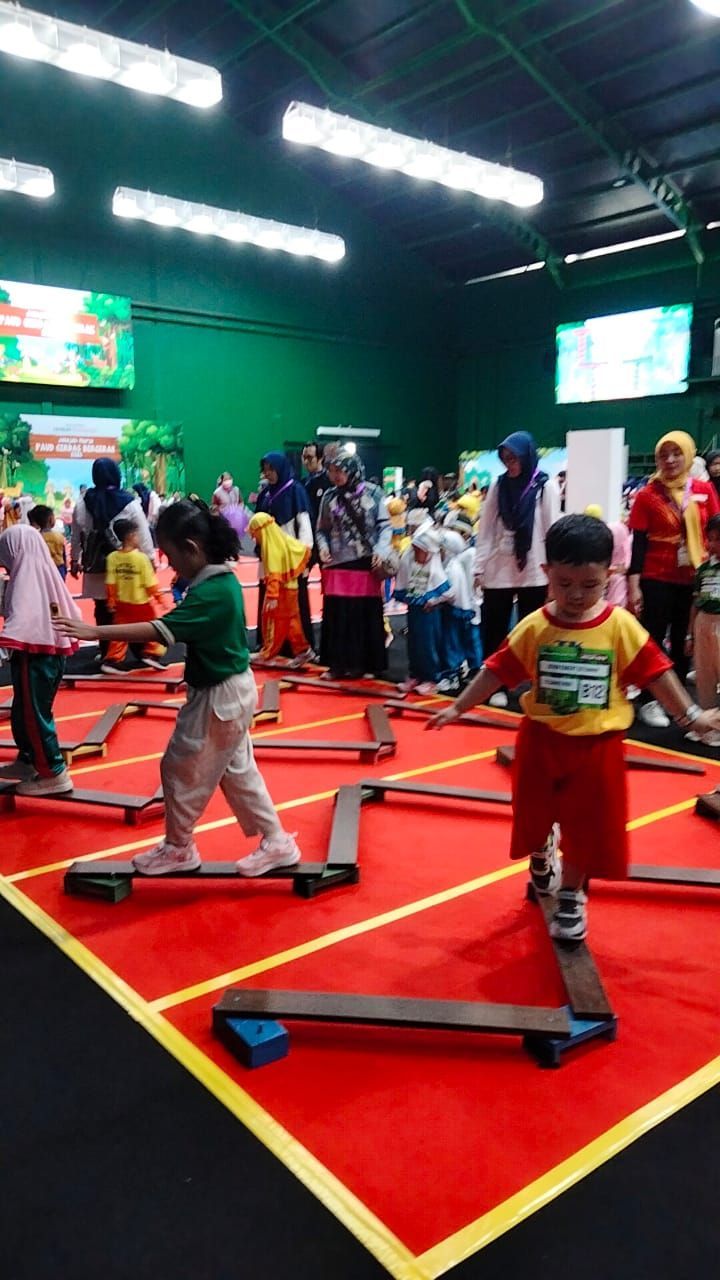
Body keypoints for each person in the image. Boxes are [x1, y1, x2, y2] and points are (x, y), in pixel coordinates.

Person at [428, 514, 720, 942]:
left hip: (596, 747)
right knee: (532, 817)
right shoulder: (535, 626)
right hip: (541, 741)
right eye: (564, 585)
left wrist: (692, 717)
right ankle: (541, 851)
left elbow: (657, 673)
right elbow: (496, 671)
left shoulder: (620, 627)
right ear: (546, 574)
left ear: (610, 574)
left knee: (586, 826)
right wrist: (458, 707)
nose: (576, 596)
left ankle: (571, 895)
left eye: (589, 585)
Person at [55, 499, 302, 877]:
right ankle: (277, 841)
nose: (170, 565)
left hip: (220, 695)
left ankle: (179, 847)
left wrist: (95, 631)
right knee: (238, 772)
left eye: (171, 556)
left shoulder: (212, 594)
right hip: (228, 690)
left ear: (192, 549)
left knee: (180, 768)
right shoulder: (221, 581)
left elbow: (160, 630)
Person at [628, 430, 720, 728]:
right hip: (656, 575)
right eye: (663, 455)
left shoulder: (705, 490)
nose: (669, 460)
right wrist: (634, 584)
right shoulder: (647, 494)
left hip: (694, 576)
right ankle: (649, 700)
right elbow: (638, 542)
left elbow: (715, 533)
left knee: (684, 640)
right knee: (653, 638)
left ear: (688, 455)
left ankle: (678, 700)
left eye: (676, 453)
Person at [474, 431, 561, 707]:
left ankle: (533, 684)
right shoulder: (499, 487)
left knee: (533, 628)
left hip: (534, 567)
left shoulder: (545, 486)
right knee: (494, 628)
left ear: (527, 456)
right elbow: (486, 529)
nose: (510, 464)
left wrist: (554, 571)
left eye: (514, 458)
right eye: (506, 459)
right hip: (499, 567)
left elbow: (551, 529)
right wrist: (479, 567)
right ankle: (494, 684)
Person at [0, 524, 81, 795]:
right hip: (43, 653)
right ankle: (28, 759)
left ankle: (54, 772)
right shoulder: (40, 572)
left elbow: (23, 618)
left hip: (37, 656)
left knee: (34, 715)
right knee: (25, 710)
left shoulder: (26, 579)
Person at [316, 446, 391, 679]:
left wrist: (381, 549)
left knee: (363, 615)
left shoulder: (374, 493)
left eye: (340, 471)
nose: (335, 476)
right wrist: (324, 547)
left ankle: (365, 664)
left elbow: (385, 526)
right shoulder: (329, 497)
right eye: (332, 471)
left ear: (352, 471)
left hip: (365, 564)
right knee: (338, 615)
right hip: (338, 565)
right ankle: (337, 665)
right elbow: (321, 530)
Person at [71, 460, 154, 658]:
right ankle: (140, 651)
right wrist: (150, 559)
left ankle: (107, 650)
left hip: (97, 566)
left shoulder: (83, 502)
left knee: (102, 609)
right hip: (128, 565)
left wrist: (75, 560)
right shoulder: (128, 501)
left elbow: (76, 535)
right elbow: (142, 533)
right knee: (131, 607)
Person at [255, 453, 314, 650]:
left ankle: (297, 647)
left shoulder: (296, 490)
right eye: (265, 469)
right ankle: (270, 644)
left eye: (271, 469)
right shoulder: (265, 494)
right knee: (269, 600)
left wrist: (304, 557)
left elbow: (304, 524)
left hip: (290, 558)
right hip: (269, 558)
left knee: (292, 604)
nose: (268, 473)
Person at [101, 518, 167, 674]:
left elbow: (110, 582)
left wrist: (111, 601)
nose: (139, 537)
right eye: (137, 534)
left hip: (122, 602)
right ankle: (152, 654)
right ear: (131, 536)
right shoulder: (141, 558)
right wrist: (160, 598)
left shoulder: (112, 558)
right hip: (141, 603)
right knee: (154, 629)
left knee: (120, 633)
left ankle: (112, 660)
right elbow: (150, 583)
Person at [248, 512, 315, 664]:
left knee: (274, 622)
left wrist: (272, 595)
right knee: (292, 622)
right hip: (291, 588)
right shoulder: (283, 540)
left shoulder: (271, 546)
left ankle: (269, 653)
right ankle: (303, 650)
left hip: (281, 591)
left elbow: (274, 571)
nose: (254, 538)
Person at [394, 522, 453, 694]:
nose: (417, 554)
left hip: (429, 611)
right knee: (413, 642)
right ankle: (415, 674)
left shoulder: (436, 568)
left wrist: (434, 600)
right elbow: (404, 580)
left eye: (420, 551)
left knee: (429, 643)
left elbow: (449, 591)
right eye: (415, 549)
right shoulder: (409, 561)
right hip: (414, 607)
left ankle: (431, 677)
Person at [685, 513, 720, 745]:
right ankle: (707, 725)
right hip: (703, 621)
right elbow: (695, 603)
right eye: (711, 539)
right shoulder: (704, 569)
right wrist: (690, 634)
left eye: (719, 539)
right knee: (704, 674)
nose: (713, 544)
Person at [29, 505, 67, 578]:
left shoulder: (36, 537)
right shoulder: (59, 536)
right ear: (50, 519)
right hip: (58, 568)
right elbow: (63, 555)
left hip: (41, 569)